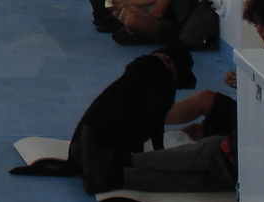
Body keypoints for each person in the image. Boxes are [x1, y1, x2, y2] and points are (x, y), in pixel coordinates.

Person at [11, 44, 196, 193]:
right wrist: (157, 158)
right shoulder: (162, 84)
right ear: (170, 62)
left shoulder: (141, 73)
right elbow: (152, 125)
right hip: (101, 151)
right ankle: (102, 171)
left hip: (78, 150)